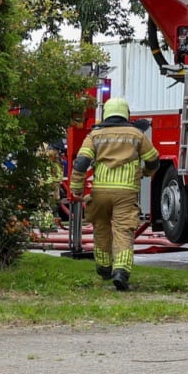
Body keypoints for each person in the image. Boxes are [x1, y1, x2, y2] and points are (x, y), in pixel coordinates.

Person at [71, 98, 158, 290]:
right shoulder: (137, 134)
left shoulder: (94, 135)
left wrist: (76, 188)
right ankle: (121, 271)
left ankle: (103, 266)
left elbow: (81, 163)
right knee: (123, 230)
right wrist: (146, 173)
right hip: (126, 193)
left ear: (106, 113)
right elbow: (153, 159)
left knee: (100, 227)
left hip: (100, 191)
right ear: (126, 114)